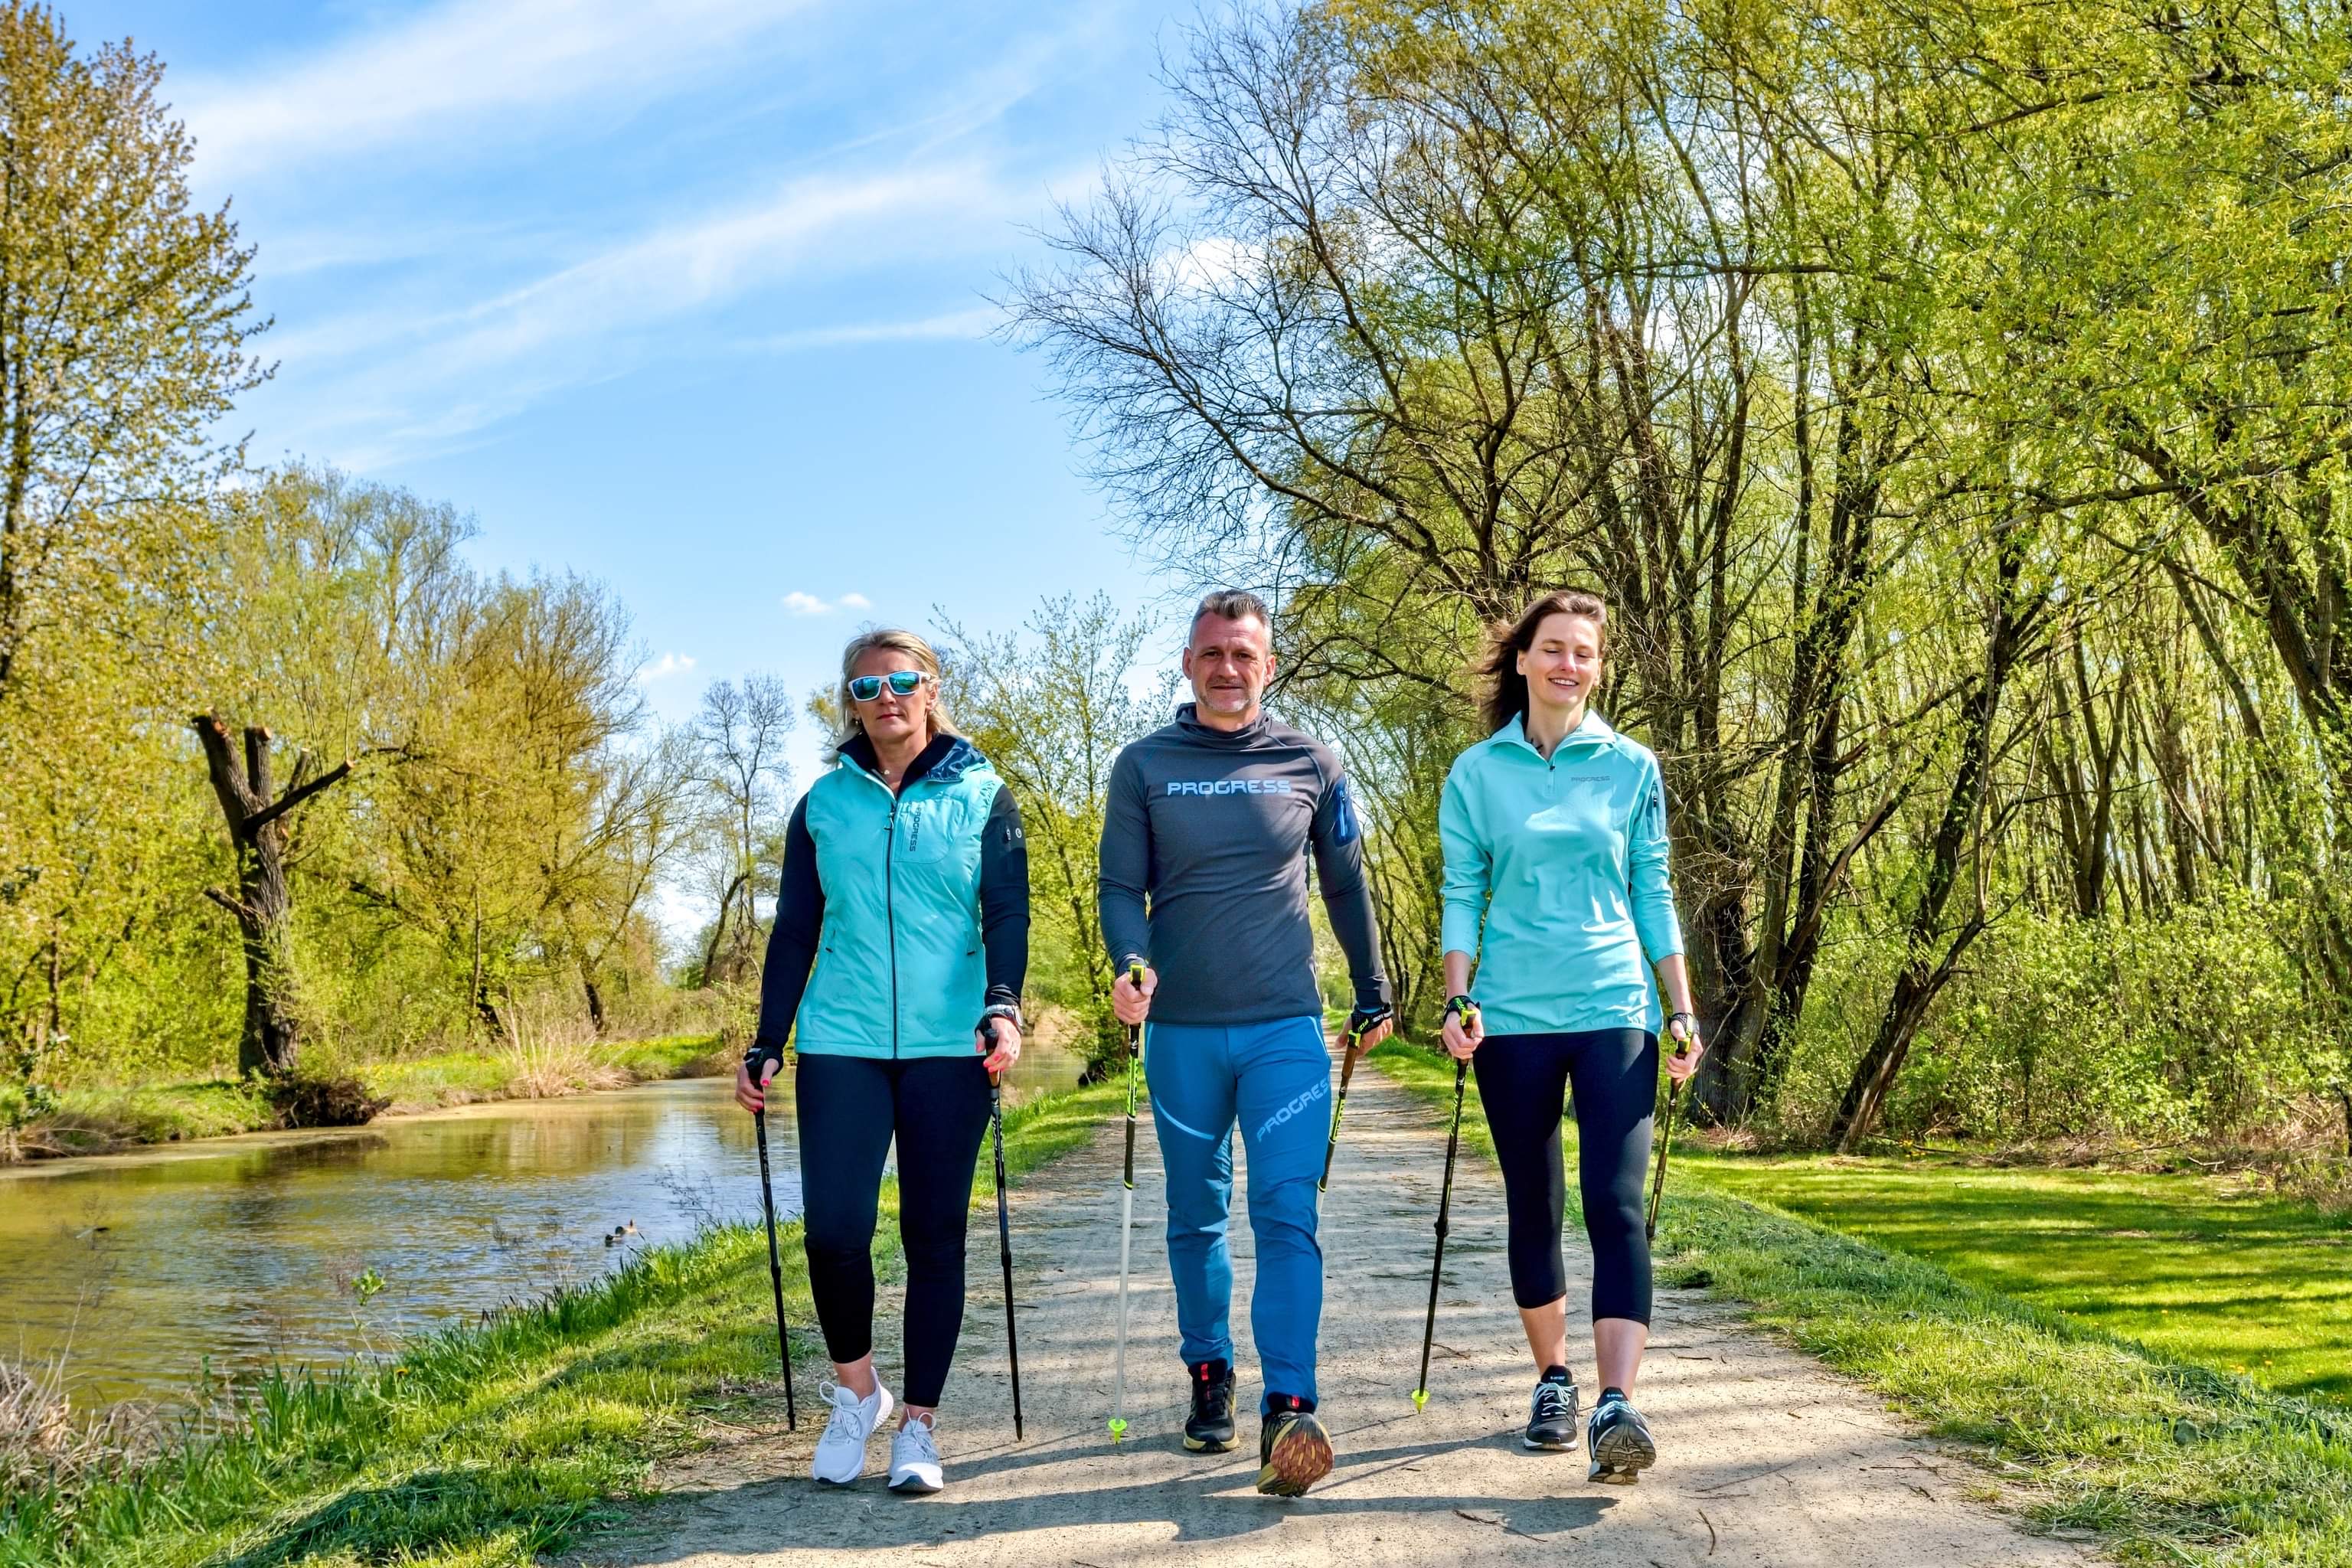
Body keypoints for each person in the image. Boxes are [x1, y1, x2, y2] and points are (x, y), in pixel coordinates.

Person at [1099, 589, 1394, 1498]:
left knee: (1286, 1211)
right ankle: (1208, 1369)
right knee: (1195, 1213)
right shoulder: (1144, 764)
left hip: (1286, 1029)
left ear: (1269, 664)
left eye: (1245, 653)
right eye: (1212, 652)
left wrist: (1376, 985)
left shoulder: (1313, 759)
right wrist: (1130, 960)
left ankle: (1290, 1406)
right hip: (1182, 1033)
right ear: (1188, 663)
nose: (1228, 667)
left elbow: (1345, 885)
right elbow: (1118, 885)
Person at [735, 628, 1030, 1494]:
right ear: (851, 703)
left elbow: (1006, 912)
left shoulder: (984, 793)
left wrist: (1004, 1006)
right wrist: (766, 1039)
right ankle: (858, 1389)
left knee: (933, 1234)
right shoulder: (823, 803)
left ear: (932, 688)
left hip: (951, 1045)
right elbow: (794, 930)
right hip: (841, 1042)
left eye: (903, 680)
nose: (887, 697)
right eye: (868, 687)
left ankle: (921, 1427)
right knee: (833, 1232)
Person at [1436, 589, 1704, 1485]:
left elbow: (1653, 889)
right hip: (1510, 1014)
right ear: (1522, 659)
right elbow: (1463, 892)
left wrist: (1680, 1007)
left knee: (1616, 1203)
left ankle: (1617, 1401)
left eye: (1584, 653)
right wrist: (1458, 996)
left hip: (1614, 1008)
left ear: (1598, 665)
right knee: (1535, 1201)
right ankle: (1553, 1377)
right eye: (1553, 648)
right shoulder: (1477, 773)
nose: (1568, 665)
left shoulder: (1631, 765)